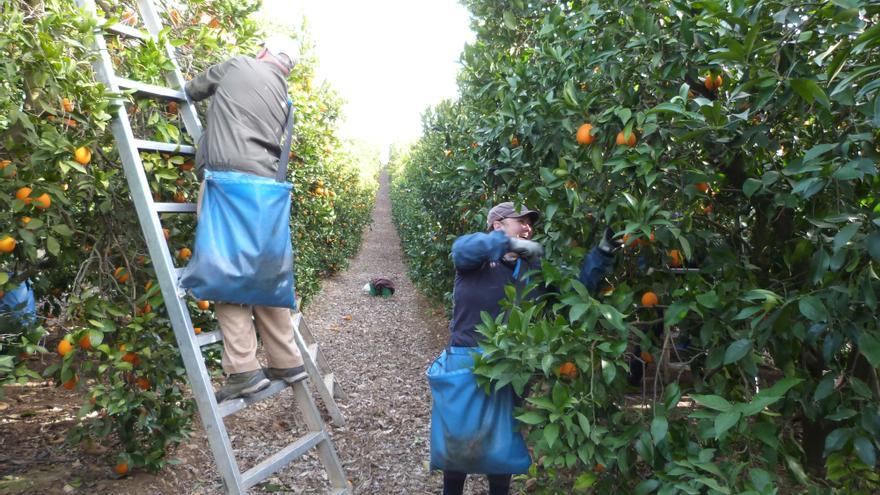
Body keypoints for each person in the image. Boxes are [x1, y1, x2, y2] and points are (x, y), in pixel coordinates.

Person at [442, 201, 621, 495]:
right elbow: (461, 248)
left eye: (530, 223)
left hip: (513, 365)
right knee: (459, 441)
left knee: (503, 442)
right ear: (497, 225)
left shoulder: (535, 269)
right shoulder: (474, 262)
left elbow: (575, 289)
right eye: (520, 221)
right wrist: (505, 244)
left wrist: (601, 253)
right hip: (467, 360)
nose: (528, 228)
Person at [185, 37, 305, 403]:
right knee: (265, 274)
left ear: (265, 51)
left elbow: (192, 89)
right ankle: (287, 359)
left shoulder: (238, 65)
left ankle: (243, 370)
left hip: (229, 185)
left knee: (227, 274)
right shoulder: (285, 98)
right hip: (267, 190)